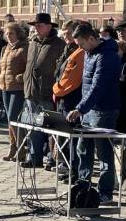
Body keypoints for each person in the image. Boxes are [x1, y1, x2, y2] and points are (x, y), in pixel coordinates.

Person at [67, 23, 122, 204]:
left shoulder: (107, 55)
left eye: (81, 44)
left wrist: (80, 108)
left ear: (91, 38)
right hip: (88, 110)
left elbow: (98, 86)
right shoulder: (90, 53)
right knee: (83, 148)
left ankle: (105, 192)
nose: (80, 48)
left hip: (104, 110)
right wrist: (83, 108)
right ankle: (84, 187)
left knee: (104, 152)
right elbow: (87, 85)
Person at [21, 13, 66, 168]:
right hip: (30, 91)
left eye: (39, 25)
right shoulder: (32, 42)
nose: (36, 28)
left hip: (47, 92)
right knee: (32, 126)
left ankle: (52, 157)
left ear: (49, 26)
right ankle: (34, 157)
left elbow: (61, 69)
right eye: (35, 25)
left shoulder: (59, 44)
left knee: (50, 128)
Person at [52, 20, 84, 179]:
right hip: (62, 98)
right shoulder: (67, 49)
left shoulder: (80, 51)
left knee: (73, 138)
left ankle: (75, 170)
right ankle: (68, 167)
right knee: (64, 136)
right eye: (64, 34)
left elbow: (72, 79)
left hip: (72, 98)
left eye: (69, 34)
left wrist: (56, 90)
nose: (66, 37)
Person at [0, 22, 28, 160]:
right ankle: (12, 147)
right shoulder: (5, 49)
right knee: (10, 120)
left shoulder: (24, 48)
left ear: (18, 34)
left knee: (14, 118)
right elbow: (0, 67)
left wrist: (20, 77)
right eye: (7, 33)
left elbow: (30, 67)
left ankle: (21, 149)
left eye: (11, 33)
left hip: (17, 88)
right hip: (5, 87)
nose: (8, 36)